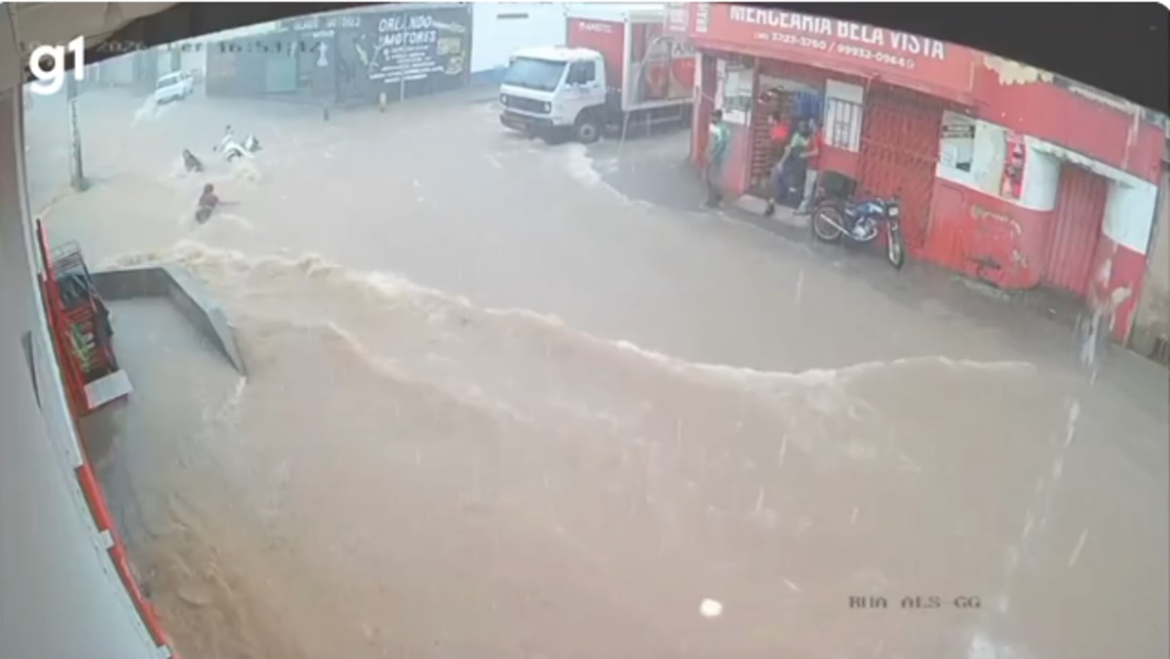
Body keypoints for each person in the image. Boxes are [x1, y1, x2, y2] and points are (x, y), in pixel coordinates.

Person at [766, 118, 810, 216]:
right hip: (788, 161)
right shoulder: (794, 136)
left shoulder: (788, 135)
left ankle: (776, 200)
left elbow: (788, 149)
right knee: (779, 179)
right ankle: (774, 200)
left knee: (781, 180)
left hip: (791, 161)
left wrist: (781, 162)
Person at [795, 119, 823, 215]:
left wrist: (805, 155)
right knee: (815, 191)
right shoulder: (821, 136)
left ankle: (803, 209)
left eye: (811, 124)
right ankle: (812, 209)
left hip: (812, 166)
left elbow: (816, 151)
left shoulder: (814, 137)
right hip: (819, 167)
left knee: (808, 190)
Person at [705, 109, 730, 208]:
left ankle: (716, 199)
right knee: (709, 177)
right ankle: (714, 198)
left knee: (712, 178)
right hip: (713, 155)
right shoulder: (714, 127)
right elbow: (711, 141)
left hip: (717, 157)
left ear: (719, 118)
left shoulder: (721, 128)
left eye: (714, 117)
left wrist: (713, 156)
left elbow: (721, 144)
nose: (712, 118)